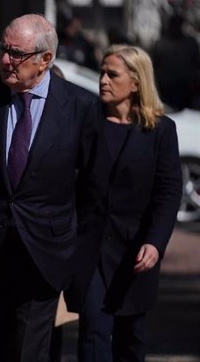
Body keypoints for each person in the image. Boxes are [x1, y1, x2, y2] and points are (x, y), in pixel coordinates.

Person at [0, 13, 109, 362]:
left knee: (30, 354)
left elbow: (93, 188)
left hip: (44, 254)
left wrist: (67, 238)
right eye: (3, 49)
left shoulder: (81, 107)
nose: (6, 60)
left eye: (17, 53)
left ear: (45, 60)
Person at [73, 45, 182, 361]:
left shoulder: (160, 131)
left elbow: (168, 192)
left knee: (130, 339)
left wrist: (155, 242)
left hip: (134, 250)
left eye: (112, 74)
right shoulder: (88, 122)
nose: (103, 80)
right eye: (102, 73)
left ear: (136, 82)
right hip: (90, 248)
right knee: (93, 333)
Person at [151, 13, 200, 110]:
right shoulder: (161, 44)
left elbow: (196, 63)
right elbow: (155, 65)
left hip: (186, 87)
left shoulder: (190, 43)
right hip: (166, 87)